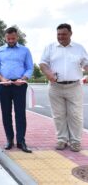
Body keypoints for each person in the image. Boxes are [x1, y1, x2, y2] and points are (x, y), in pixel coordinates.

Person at [40, 23, 88, 152]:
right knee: (58, 115)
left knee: (75, 115)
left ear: (70, 34)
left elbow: (86, 64)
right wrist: (49, 74)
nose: (61, 37)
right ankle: (62, 139)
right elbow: (43, 64)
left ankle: (75, 141)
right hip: (55, 87)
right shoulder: (50, 47)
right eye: (58, 34)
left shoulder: (79, 48)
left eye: (64, 34)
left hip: (74, 86)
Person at [0, 27, 33, 153]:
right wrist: (1, 78)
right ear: (5, 38)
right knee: (6, 113)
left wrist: (23, 78)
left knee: (20, 113)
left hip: (20, 85)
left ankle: (21, 141)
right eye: (8, 38)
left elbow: (30, 68)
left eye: (13, 38)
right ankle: (9, 139)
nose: (10, 40)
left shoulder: (25, 50)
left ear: (17, 37)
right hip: (4, 85)